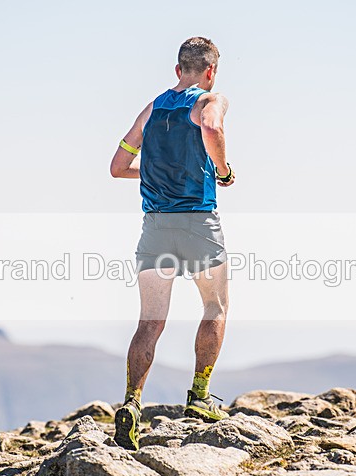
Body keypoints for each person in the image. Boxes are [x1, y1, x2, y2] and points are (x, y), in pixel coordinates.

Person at [109, 36, 235, 450]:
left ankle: (132, 403)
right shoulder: (211, 99)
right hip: (198, 221)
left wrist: (154, 175)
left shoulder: (153, 108)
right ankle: (199, 396)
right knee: (215, 307)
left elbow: (118, 167)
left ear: (178, 70)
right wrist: (222, 170)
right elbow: (211, 127)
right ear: (210, 71)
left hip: (156, 225)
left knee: (150, 321)